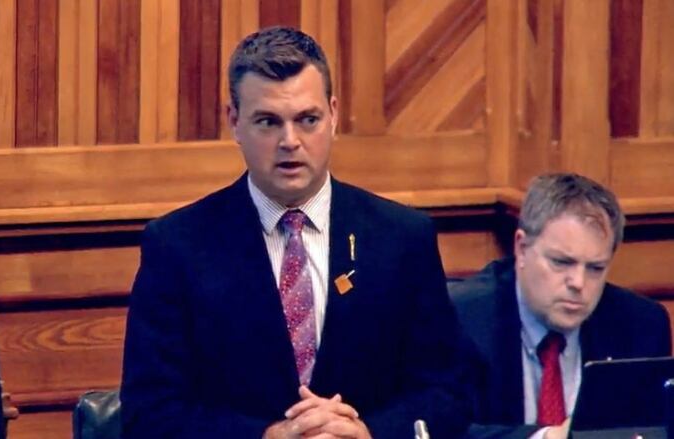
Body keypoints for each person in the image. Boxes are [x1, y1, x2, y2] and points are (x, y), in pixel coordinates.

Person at [120, 26, 472, 438]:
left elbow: (448, 395)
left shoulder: (402, 239)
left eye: (308, 119)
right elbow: (149, 415)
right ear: (234, 122)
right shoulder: (178, 246)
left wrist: (369, 433)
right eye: (268, 122)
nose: (290, 141)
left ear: (334, 115)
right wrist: (265, 437)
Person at [450, 173, 672, 439]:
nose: (578, 283)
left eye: (595, 268)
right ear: (521, 248)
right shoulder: (461, 319)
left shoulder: (640, 326)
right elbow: (443, 431)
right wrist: (547, 438)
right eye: (561, 262)